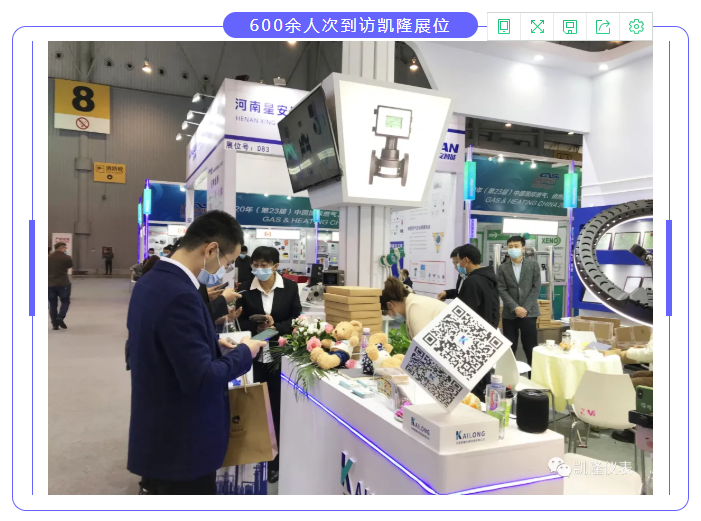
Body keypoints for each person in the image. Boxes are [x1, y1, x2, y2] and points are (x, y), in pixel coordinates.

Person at [127, 210, 266, 495]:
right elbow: (201, 378)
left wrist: (212, 343)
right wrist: (244, 352)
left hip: (158, 429)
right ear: (211, 250)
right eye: (226, 262)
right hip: (183, 443)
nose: (223, 270)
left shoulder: (151, 282)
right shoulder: (181, 294)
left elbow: (163, 344)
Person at [237, 246, 303, 485]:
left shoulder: (290, 287)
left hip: (278, 357)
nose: (259, 269)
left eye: (264, 265)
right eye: (255, 264)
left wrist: (276, 327)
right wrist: (256, 327)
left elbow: (296, 318)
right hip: (252, 357)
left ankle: (275, 462)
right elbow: (239, 319)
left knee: (276, 408)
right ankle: (253, 455)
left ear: (275, 266)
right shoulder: (245, 288)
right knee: (252, 407)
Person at [496, 236, 541, 366]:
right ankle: (509, 377)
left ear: (523, 248)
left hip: (529, 313)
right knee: (509, 349)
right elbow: (501, 289)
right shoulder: (502, 268)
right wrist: (515, 307)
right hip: (510, 314)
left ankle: (533, 376)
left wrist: (524, 308)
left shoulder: (533, 265)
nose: (513, 249)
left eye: (516, 246)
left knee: (531, 348)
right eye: (510, 247)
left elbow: (536, 288)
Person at [380, 277, 446, 340]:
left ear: (390, 305)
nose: (390, 316)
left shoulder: (415, 309)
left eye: (388, 313)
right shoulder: (413, 303)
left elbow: (422, 344)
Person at [48, 242, 73, 330]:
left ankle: (54, 324)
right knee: (65, 301)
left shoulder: (48, 257)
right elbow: (70, 265)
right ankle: (60, 317)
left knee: (52, 304)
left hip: (50, 284)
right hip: (63, 283)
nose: (66, 249)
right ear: (61, 248)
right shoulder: (67, 257)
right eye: (65, 248)